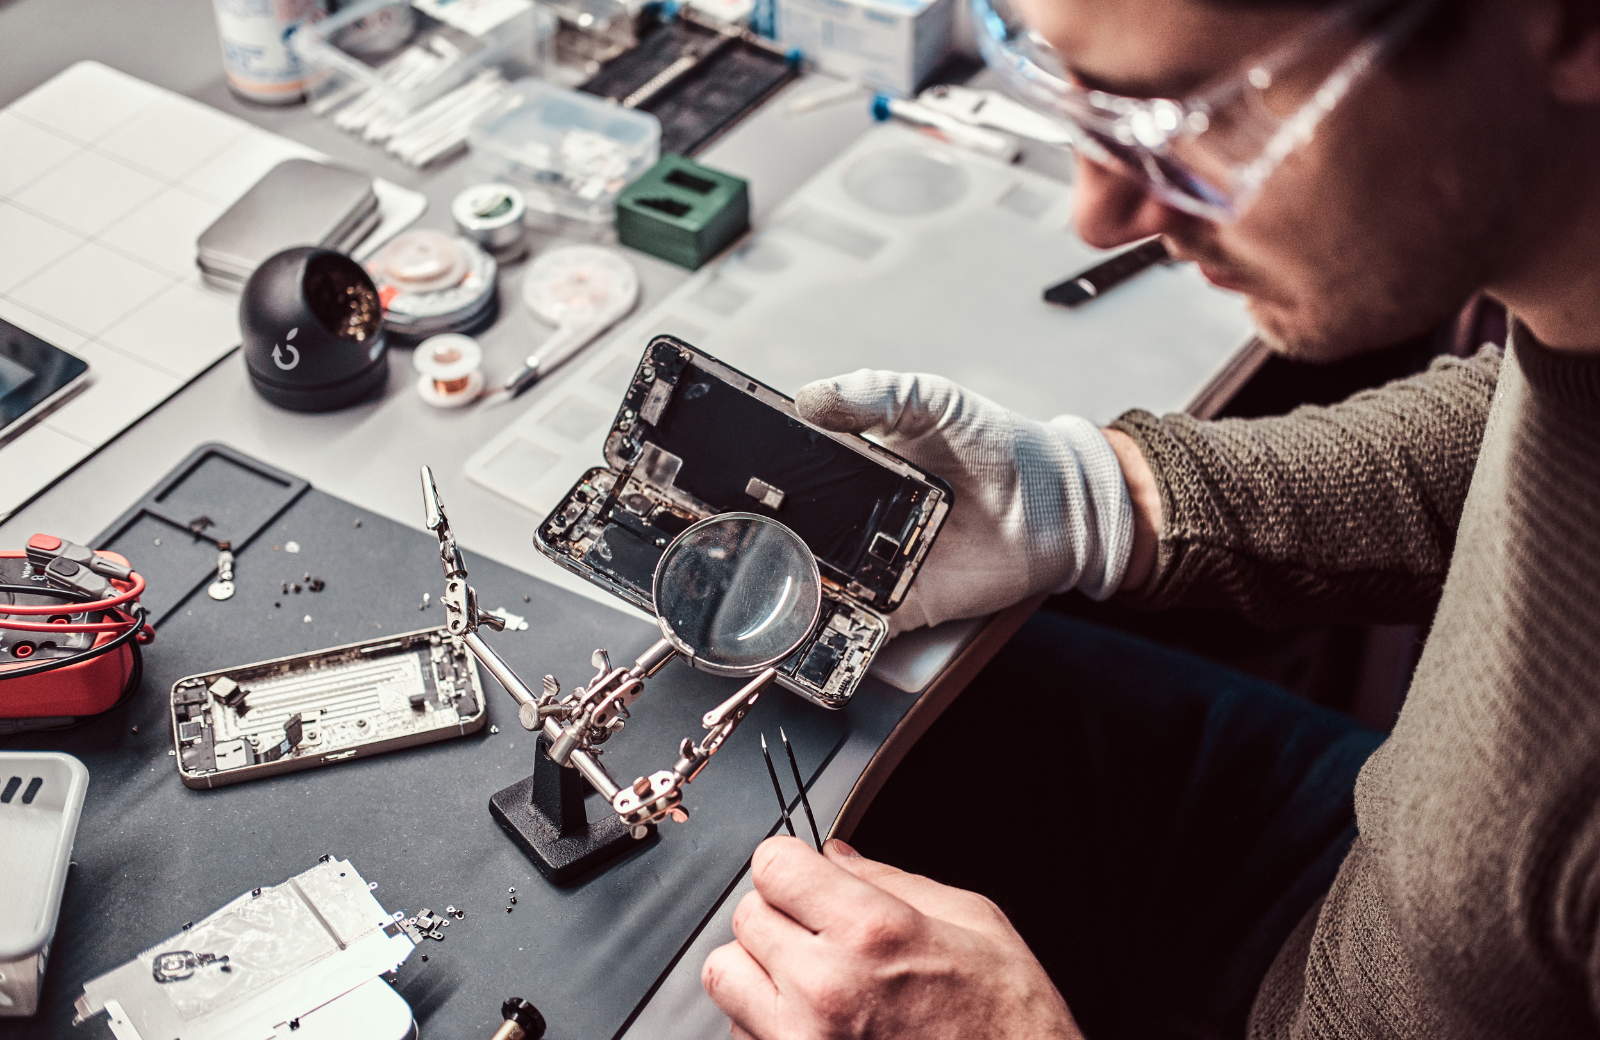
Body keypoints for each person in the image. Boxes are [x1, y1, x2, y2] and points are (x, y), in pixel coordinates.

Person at [698, 0, 1600, 1037]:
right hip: (1376, 875)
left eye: (1178, 116)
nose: (1102, 212)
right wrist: (1098, 495)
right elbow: (1536, 414)